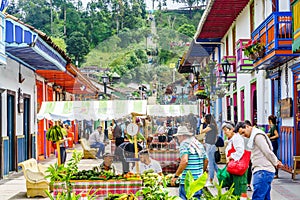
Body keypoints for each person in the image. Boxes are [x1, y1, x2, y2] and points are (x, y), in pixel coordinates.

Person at [235, 121, 282, 200]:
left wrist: (276, 162)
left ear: (247, 127)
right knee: (265, 197)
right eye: (241, 134)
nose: (244, 135)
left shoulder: (257, 136)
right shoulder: (254, 136)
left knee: (258, 197)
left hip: (263, 171)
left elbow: (267, 151)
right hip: (264, 171)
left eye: (243, 132)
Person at [171, 126, 208, 200]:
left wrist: (176, 176)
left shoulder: (184, 144)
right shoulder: (198, 143)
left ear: (182, 136)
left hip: (187, 182)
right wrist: (201, 172)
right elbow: (206, 160)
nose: (178, 139)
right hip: (198, 181)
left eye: (178, 137)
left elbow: (184, 161)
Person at [222, 121, 248, 196]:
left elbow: (240, 151)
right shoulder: (232, 139)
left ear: (232, 129)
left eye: (226, 130)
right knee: (234, 189)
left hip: (238, 168)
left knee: (239, 190)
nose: (225, 132)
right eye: (224, 130)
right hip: (234, 168)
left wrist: (230, 157)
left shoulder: (237, 138)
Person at [199, 113, 218, 185]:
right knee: (213, 163)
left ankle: (211, 180)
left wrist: (201, 123)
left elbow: (201, 131)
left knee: (210, 163)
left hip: (210, 146)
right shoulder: (212, 125)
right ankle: (221, 177)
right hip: (210, 145)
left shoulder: (211, 126)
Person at [235, 120, 253, 191]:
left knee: (248, 169)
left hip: (248, 153)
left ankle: (247, 184)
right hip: (244, 153)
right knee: (245, 169)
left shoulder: (252, 135)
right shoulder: (241, 135)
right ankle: (245, 184)